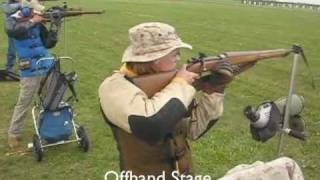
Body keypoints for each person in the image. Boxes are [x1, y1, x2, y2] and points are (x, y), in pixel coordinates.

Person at [99, 22, 237, 178]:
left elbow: (193, 131)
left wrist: (214, 89)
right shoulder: (113, 87)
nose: (179, 58)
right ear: (155, 59)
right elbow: (151, 125)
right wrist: (181, 83)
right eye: (174, 53)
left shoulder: (172, 86)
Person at [6, 0, 54, 149]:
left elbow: (48, 44)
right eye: (35, 11)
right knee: (24, 102)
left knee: (50, 99)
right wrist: (33, 21)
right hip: (29, 69)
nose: (39, 13)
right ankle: (14, 133)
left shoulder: (37, 22)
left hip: (46, 65)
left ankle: (50, 132)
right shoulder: (13, 21)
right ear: (27, 11)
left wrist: (55, 29)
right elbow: (13, 31)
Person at [2, 0, 20, 72]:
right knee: (12, 50)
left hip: (24, 29)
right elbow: (8, 9)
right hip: (13, 30)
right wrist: (22, 4)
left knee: (24, 50)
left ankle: (25, 67)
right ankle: (9, 68)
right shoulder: (8, 6)